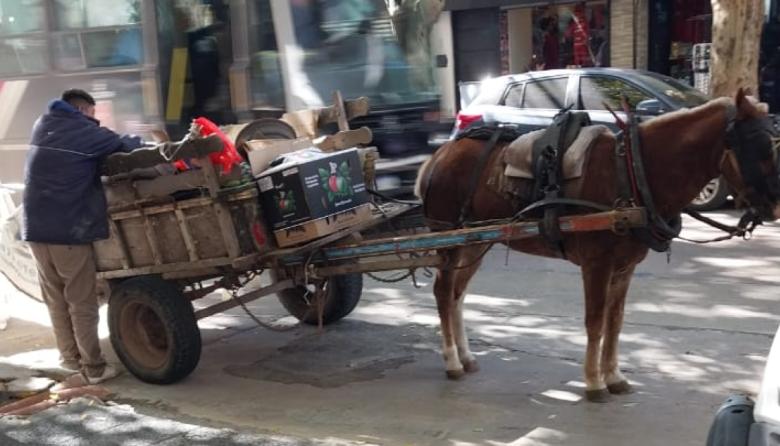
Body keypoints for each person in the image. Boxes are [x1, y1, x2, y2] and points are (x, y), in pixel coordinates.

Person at [21, 89, 144, 384]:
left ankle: (70, 360)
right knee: (81, 301)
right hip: (66, 230)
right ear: (83, 110)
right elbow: (124, 145)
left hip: (35, 229)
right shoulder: (81, 131)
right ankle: (94, 368)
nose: (94, 118)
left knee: (56, 299)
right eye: (92, 113)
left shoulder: (43, 124)